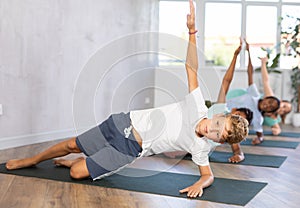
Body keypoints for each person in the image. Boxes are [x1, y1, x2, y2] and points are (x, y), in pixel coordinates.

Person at [5, 0, 249, 198]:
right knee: (71, 144)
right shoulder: (197, 107)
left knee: (77, 173)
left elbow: (209, 175)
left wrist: (201, 184)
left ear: (218, 140)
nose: (212, 130)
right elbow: (191, 68)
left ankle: (79, 162)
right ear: (218, 115)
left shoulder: (200, 148)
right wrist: (192, 31)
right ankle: (32, 159)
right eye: (218, 124)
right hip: (123, 122)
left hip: (130, 148)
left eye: (218, 135)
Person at [226, 40, 281, 145]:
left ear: (269, 112)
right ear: (266, 98)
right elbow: (250, 73)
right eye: (269, 102)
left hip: (227, 120)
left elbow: (260, 134)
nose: (268, 105)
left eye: (271, 107)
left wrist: (259, 139)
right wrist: (248, 52)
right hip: (221, 105)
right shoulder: (254, 94)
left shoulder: (258, 118)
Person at [260, 57, 292, 135]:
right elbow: (265, 81)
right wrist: (263, 63)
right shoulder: (271, 98)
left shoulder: (274, 118)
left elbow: (277, 128)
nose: (282, 109)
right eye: (284, 106)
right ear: (280, 101)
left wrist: (277, 131)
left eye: (284, 112)